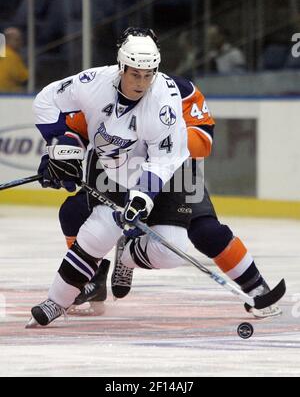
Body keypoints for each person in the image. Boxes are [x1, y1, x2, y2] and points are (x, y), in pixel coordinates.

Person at [59, 77, 281, 319]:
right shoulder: (99, 88)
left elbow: (203, 141)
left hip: (174, 173)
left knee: (206, 231)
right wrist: (59, 157)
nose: (141, 72)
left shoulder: (181, 91)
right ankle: (92, 278)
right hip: (118, 171)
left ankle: (255, 286)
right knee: (74, 211)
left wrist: (159, 138)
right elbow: (75, 130)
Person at [27, 27, 199, 327]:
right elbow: (45, 100)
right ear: (121, 67)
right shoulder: (93, 82)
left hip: (168, 178)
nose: (141, 83)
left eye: (148, 75)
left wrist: (143, 196)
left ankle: (128, 255)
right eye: (135, 74)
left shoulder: (164, 102)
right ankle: (56, 301)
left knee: (172, 252)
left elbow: (164, 160)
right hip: (115, 174)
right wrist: (58, 148)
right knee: (96, 235)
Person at [0, 27, 28, 93]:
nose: (20, 42)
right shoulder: (11, 55)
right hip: (7, 92)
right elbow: (23, 77)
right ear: (7, 40)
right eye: (17, 40)